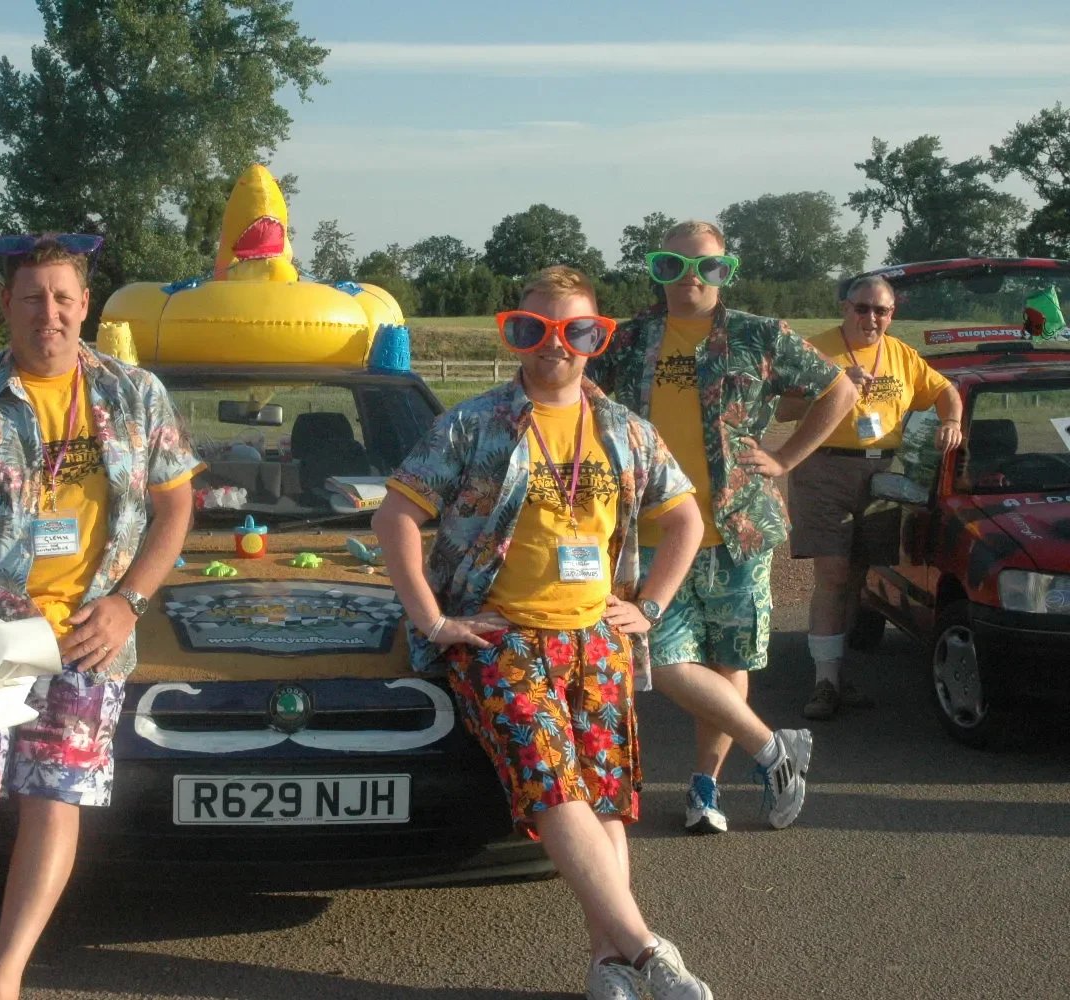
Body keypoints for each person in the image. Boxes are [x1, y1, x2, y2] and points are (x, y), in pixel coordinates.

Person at [374, 265, 713, 1000]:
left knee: (606, 797)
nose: (553, 345)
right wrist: (433, 619)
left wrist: (649, 606)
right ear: (514, 333)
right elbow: (395, 516)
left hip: (598, 640)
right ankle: (650, 949)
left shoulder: (624, 428)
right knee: (556, 786)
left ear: (596, 338)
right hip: (504, 639)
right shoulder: (471, 424)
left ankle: (608, 965)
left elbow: (684, 516)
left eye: (574, 330)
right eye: (532, 329)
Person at [0, 233, 201, 1000]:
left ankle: (6, 972)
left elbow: (176, 508)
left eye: (64, 297)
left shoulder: (136, 394)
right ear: (6, 304)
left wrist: (129, 604)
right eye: (32, 297)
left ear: (85, 304)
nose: (50, 313)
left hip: (90, 636)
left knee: (53, 796)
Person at [587, 220, 857, 836]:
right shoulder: (627, 343)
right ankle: (772, 750)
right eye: (671, 266)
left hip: (739, 531)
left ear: (725, 271)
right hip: (654, 536)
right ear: (655, 271)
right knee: (660, 657)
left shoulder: (759, 336)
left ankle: (705, 789)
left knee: (729, 658)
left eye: (706, 267)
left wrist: (787, 458)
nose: (689, 280)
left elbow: (838, 390)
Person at [779, 276, 962, 719]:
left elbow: (944, 390)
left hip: (882, 472)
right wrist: (832, 385)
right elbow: (782, 408)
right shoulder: (816, 349)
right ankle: (824, 683)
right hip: (824, 466)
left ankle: (837, 675)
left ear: (892, 314)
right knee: (834, 572)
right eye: (863, 308)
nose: (872, 318)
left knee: (857, 577)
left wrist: (952, 420)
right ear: (845, 308)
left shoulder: (900, 354)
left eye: (882, 311)